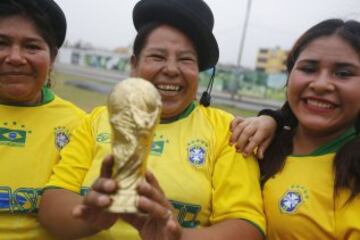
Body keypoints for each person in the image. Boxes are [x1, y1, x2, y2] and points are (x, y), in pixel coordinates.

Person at [39, 0, 266, 239]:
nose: (171, 69)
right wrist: (90, 218)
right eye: (157, 56)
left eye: (186, 59)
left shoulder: (228, 132)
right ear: (134, 66)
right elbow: (52, 204)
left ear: (198, 71)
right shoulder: (97, 120)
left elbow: (247, 227)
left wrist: (179, 236)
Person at [231, 18, 360, 239]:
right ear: (289, 77)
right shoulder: (253, 141)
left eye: (343, 73)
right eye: (308, 69)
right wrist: (272, 119)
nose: (320, 84)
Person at [0, 0, 86, 239]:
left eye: (31, 46)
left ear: (53, 57)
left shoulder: (81, 126)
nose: (15, 57)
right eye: (2, 43)